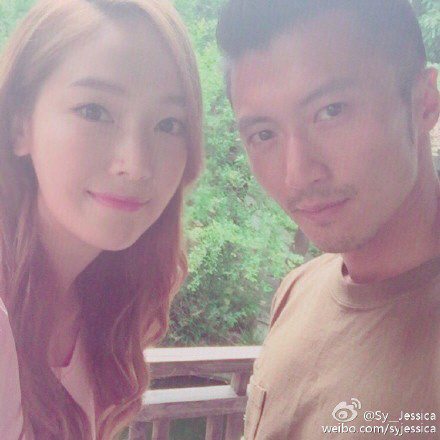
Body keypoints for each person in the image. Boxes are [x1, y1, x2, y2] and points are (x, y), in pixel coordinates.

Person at [217, 0, 440, 438]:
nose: (297, 174)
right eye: (264, 134)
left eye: (331, 111)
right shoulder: (298, 291)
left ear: (424, 103)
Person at [0, 0, 202, 438]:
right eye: (94, 111)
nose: (137, 164)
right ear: (19, 126)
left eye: (169, 124)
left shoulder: (100, 307)